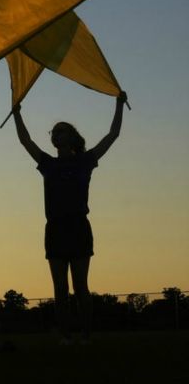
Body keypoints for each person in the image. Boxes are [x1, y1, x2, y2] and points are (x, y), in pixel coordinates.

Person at [12, 92, 127, 344]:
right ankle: (65, 335)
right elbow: (25, 140)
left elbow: (112, 135)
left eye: (61, 131)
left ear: (72, 137)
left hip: (78, 227)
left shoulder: (86, 161)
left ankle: (86, 334)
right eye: (54, 132)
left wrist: (118, 104)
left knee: (80, 287)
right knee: (60, 289)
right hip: (55, 228)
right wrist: (17, 113)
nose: (56, 134)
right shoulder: (48, 164)